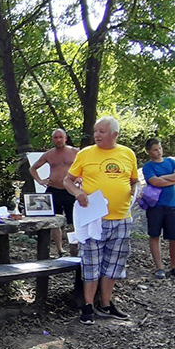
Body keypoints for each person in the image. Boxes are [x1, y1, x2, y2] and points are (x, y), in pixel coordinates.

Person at [63, 116, 137, 325]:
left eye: (102, 131)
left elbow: (134, 181)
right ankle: (87, 306)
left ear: (114, 134)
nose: (97, 135)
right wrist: (77, 192)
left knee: (113, 264)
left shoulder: (127, 154)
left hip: (122, 218)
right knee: (91, 263)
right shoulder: (85, 154)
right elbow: (67, 180)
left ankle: (106, 304)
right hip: (94, 218)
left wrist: (135, 191)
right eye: (96, 131)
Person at [29, 128, 79, 256]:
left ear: (65, 138)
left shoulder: (75, 152)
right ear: (52, 139)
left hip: (71, 190)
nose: (58, 140)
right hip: (54, 190)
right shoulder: (49, 154)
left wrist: (81, 178)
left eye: (60, 137)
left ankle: (76, 247)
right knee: (54, 221)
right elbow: (33, 168)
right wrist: (40, 181)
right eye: (55, 137)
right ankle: (60, 249)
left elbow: (87, 167)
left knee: (74, 221)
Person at [142, 138, 175, 279]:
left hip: (172, 205)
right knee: (155, 235)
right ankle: (159, 267)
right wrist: (172, 178)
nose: (159, 152)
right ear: (149, 152)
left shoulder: (170, 161)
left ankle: (174, 266)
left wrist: (163, 179)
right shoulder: (148, 167)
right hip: (155, 206)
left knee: (174, 237)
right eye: (155, 149)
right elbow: (155, 182)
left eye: (160, 148)